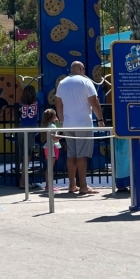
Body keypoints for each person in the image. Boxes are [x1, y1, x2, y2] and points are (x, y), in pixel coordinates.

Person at [55, 62, 105, 195]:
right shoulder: (86, 82)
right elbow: (94, 101)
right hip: (83, 123)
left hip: (68, 124)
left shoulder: (62, 83)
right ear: (81, 69)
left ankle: (72, 185)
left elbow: (58, 103)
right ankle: (83, 186)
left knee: (71, 154)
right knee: (82, 155)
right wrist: (100, 119)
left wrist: (61, 121)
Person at [18, 84, 41, 190]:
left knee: (23, 155)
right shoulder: (37, 102)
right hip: (31, 128)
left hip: (22, 128)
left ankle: (23, 180)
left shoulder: (22, 104)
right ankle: (23, 182)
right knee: (27, 156)